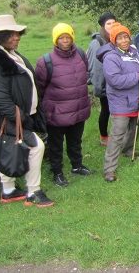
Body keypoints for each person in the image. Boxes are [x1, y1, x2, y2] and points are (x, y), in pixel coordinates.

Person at [0, 15, 54, 207]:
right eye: (11, 34)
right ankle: (34, 192)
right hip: (4, 116)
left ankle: (8, 190)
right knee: (36, 146)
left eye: (18, 33)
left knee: (8, 144)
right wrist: (20, 116)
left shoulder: (7, 53)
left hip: (16, 113)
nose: (17, 37)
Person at [35, 23, 93, 187]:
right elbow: (40, 86)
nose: (65, 40)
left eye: (68, 37)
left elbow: (84, 75)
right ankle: (57, 173)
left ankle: (77, 165)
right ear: (55, 40)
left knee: (76, 141)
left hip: (78, 108)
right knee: (56, 145)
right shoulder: (45, 61)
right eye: (61, 38)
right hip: (56, 112)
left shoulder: (81, 54)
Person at [97, 22, 139, 182]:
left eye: (126, 37)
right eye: (120, 38)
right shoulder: (111, 57)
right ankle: (109, 169)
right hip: (121, 102)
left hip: (138, 99)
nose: (124, 40)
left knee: (135, 129)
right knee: (117, 134)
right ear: (114, 40)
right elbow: (115, 80)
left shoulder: (135, 52)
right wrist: (138, 76)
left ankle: (129, 150)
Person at [87, 11, 116, 146]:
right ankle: (103, 136)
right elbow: (95, 68)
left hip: (116, 83)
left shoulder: (116, 38)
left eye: (113, 23)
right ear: (103, 26)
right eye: (108, 23)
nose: (111, 25)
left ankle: (117, 134)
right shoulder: (97, 42)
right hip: (104, 84)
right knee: (106, 110)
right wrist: (100, 88)